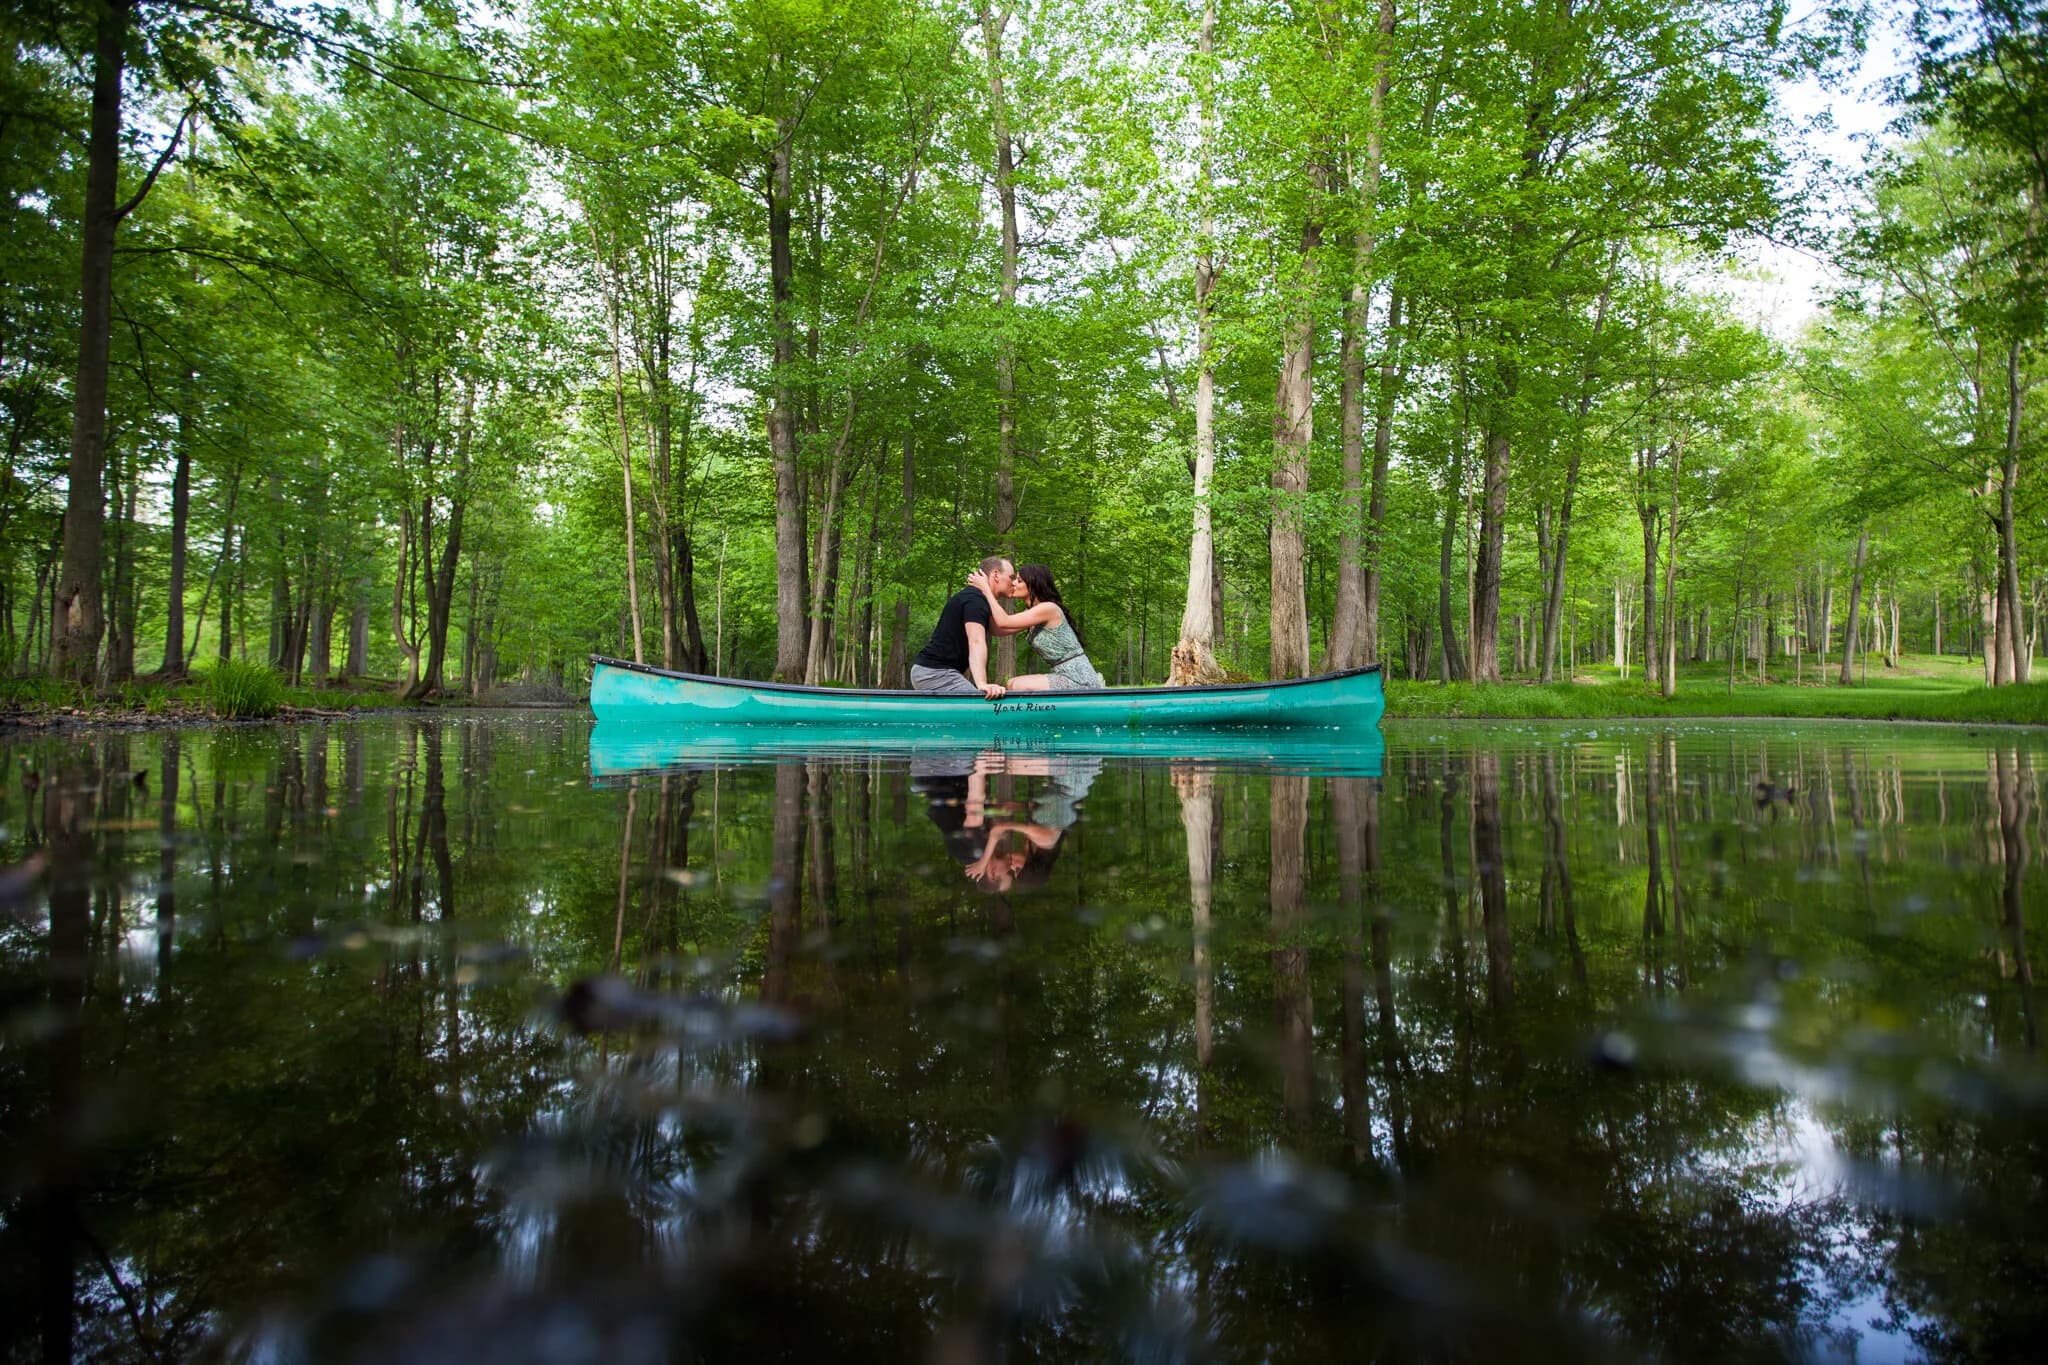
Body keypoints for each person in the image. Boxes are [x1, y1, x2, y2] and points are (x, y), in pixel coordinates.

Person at [963, 562, 1105, 691]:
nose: (1013, 583)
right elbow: (997, 629)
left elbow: (1003, 621)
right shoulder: (1032, 614)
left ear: (1032, 584)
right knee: (1011, 683)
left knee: (1017, 685)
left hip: (1079, 678)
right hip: (1061, 674)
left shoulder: (1048, 609)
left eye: (1019, 580)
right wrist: (984, 596)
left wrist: (986, 590)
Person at [911, 555, 1018, 699]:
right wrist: (982, 684)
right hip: (935, 673)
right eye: (1011, 577)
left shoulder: (977, 598)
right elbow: (976, 641)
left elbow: (997, 628)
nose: (1015, 583)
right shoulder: (975, 600)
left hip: (935, 671)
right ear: (996, 575)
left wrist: (1032, 621)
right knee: (978, 708)